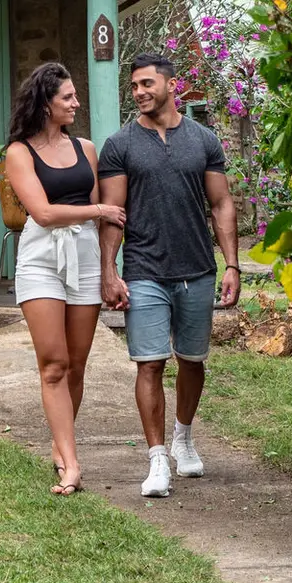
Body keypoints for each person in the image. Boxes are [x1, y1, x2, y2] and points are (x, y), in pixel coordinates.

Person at [97, 52, 239, 499]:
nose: (138, 92)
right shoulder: (119, 145)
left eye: (146, 84)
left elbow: (221, 204)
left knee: (192, 360)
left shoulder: (204, 140)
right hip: (144, 269)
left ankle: (184, 437)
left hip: (197, 268)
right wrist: (109, 271)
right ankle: (157, 457)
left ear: (170, 85)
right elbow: (114, 215)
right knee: (150, 361)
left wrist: (232, 263)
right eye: (134, 86)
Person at [1, 62, 127, 497]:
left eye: (75, 96)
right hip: (41, 256)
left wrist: (110, 272)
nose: (76, 103)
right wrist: (98, 211)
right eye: (68, 97)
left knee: (76, 364)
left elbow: (100, 217)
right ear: (45, 103)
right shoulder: (20, 152)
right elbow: (44, 213)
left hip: (86, 257)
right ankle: (71, 464)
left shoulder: (86, 149)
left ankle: (61, 442)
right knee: (53, 364)